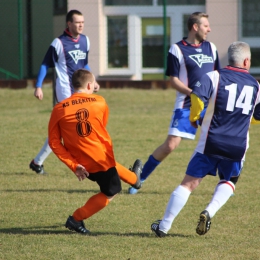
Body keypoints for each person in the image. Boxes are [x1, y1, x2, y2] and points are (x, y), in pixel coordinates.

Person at [150, 41, 260, 237]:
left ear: (229, 59)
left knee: (189, 184)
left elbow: (197, 97)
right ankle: (209, 211)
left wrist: (195, 118)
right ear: (246, 60)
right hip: (238, 146)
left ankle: (164, 226)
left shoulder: (214, 76)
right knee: (229, 180)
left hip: (211, 141)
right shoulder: (256, 85)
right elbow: (257, 116)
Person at [128, 12, 221, 194]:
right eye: (206, 26)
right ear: (195, 27)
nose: (209, 29)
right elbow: (174, 80)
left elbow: (218, 75)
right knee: (170, 145)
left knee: (220, 142)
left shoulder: (212, 48)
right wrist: (194, 94)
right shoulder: (177, 49)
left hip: (210, 106)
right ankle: (140, 178)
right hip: (186, 104)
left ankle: (227, 183)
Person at [48, 69, 142, 234]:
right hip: (100, 159)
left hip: (82, 165)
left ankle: (135, 179)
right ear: (90, 85)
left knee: (111, 168)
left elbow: (54, 142)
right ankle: (76, 219)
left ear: (73, 85)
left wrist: (73, 164)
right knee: (111, 191)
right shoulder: (99, 101)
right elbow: (101, 125)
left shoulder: (59, 108)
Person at [30, 9, 99, 174]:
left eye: (82, 22)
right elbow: (45, 64)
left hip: (82, 90)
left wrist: (93, 80)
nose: (81, 25)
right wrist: (38, 86)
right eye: (77, 22)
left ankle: (37, 162)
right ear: (69, 23)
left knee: (61, 130)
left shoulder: (85, 41)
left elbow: (84, 64)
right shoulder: (58, 43)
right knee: (77, 126)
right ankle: (84, 162)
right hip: (65, 91)